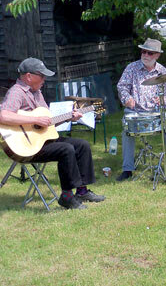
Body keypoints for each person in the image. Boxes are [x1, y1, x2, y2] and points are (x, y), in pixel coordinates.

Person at [0, 58, 105, 210]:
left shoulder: (37, 93)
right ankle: (67, 197)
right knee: (66, 149)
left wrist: (70, 117)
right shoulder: (17, 92)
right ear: (29, 76)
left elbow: (47, 123)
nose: (44, 79)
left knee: (82, 145)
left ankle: (82, 191)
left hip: (42, 141)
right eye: (42, 75)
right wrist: (35, 119)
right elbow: (3, 116)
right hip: (26, 147)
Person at [116, 38, 166, 181]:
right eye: (143, 52)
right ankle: (127, 169)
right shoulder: (131, 68)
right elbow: (121, 86)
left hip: (155, 111)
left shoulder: (162, 71)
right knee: (127, 131)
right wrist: (127, 99)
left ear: (157, 55)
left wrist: (162, 102)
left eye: (150, 53)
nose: (145, 55)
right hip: (135, 110)